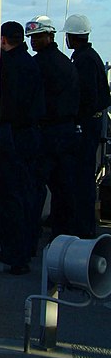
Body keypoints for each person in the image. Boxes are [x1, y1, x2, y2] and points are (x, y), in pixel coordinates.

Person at [25, 15, 80, 240]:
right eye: (31, 38)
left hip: (46, 133)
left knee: (35, 186)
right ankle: (63, 233)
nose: (33, 42)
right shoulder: (66, 62)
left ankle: (31, 234)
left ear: (50, 36)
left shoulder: (38, 65)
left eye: (38, 37)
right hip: (66, 133)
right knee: (63, 187)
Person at [0, 21, 45, 274]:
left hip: (12, 136)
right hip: (29, 136)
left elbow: (6, 104)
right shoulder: (30, 63)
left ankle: (16, 255)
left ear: (3, 40)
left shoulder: (9, 66)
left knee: (9, 197)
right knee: (24, 195)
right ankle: (21, 251)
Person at [63, 14, 111, 238]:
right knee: (82, 176)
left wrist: (77, 120)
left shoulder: (83, 60)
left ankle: (83, 227)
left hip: (85, 126)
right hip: (91, 124)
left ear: (73, 37)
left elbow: (87, 96)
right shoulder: (90, 57)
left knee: (81, 178)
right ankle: (82, 225)